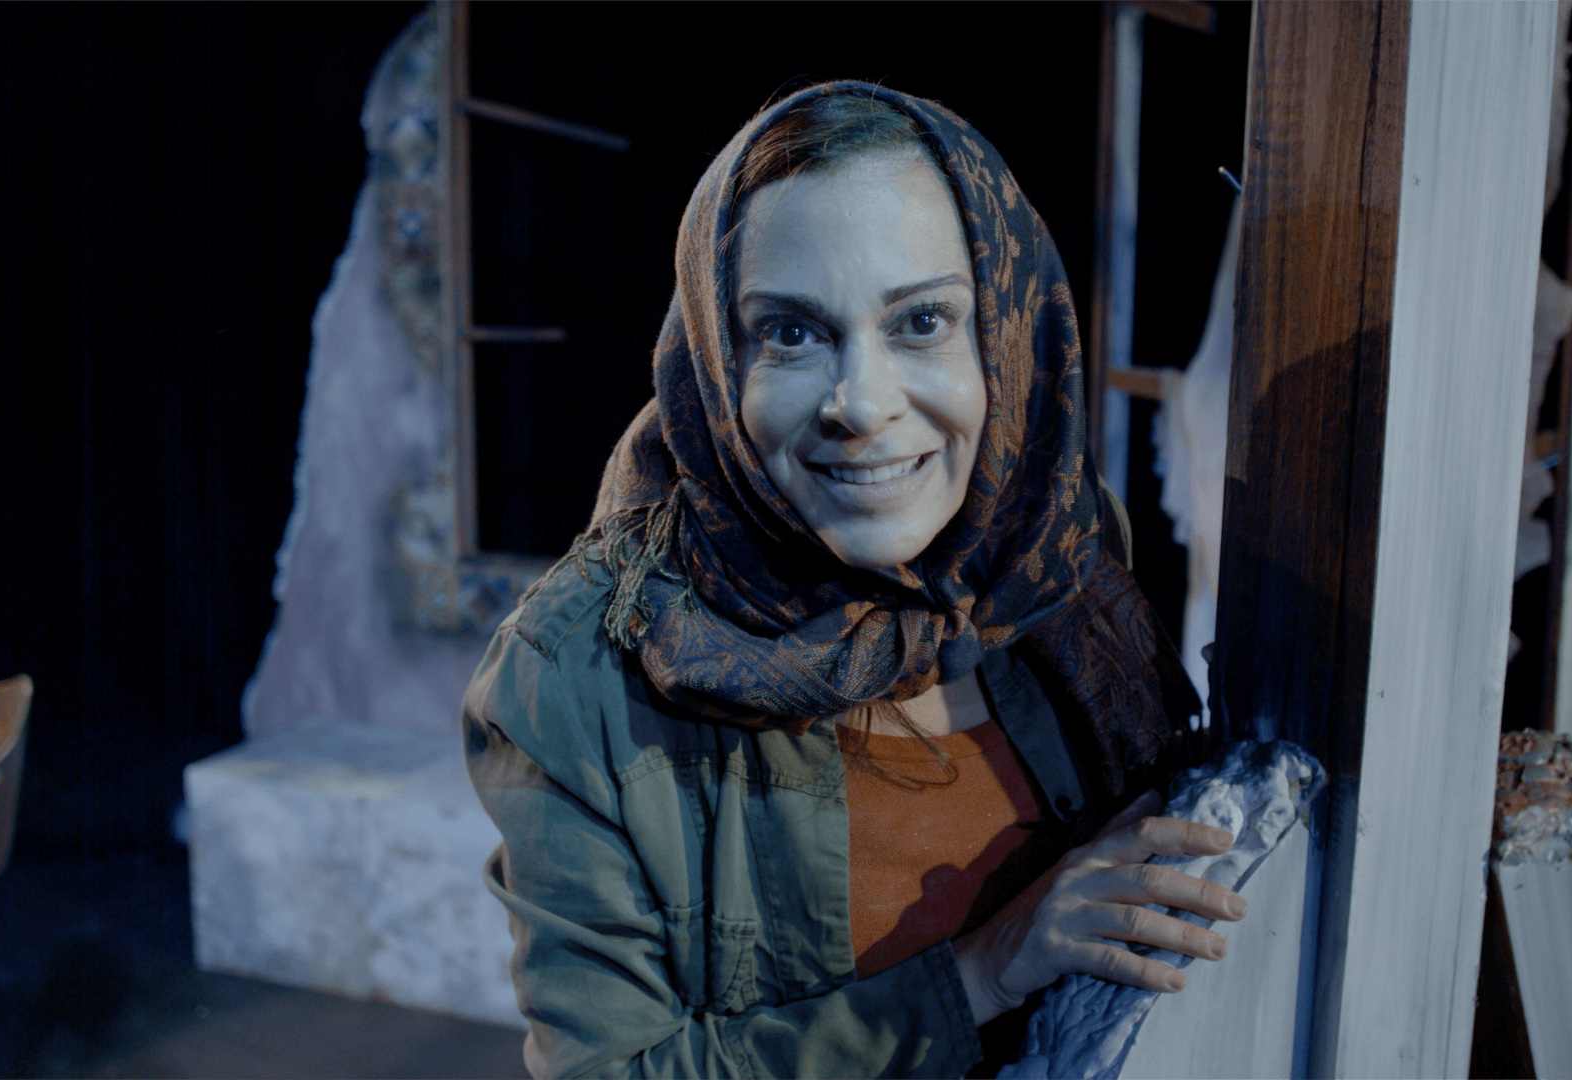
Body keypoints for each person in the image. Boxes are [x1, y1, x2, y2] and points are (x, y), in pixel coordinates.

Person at [462, 81, 1246, 1079]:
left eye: (921, 322)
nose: (862, 404)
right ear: (714, 357)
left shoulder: (1057, 547)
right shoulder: (579, 673)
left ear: (1005, 332)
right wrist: (982, 971)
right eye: (791, 333)